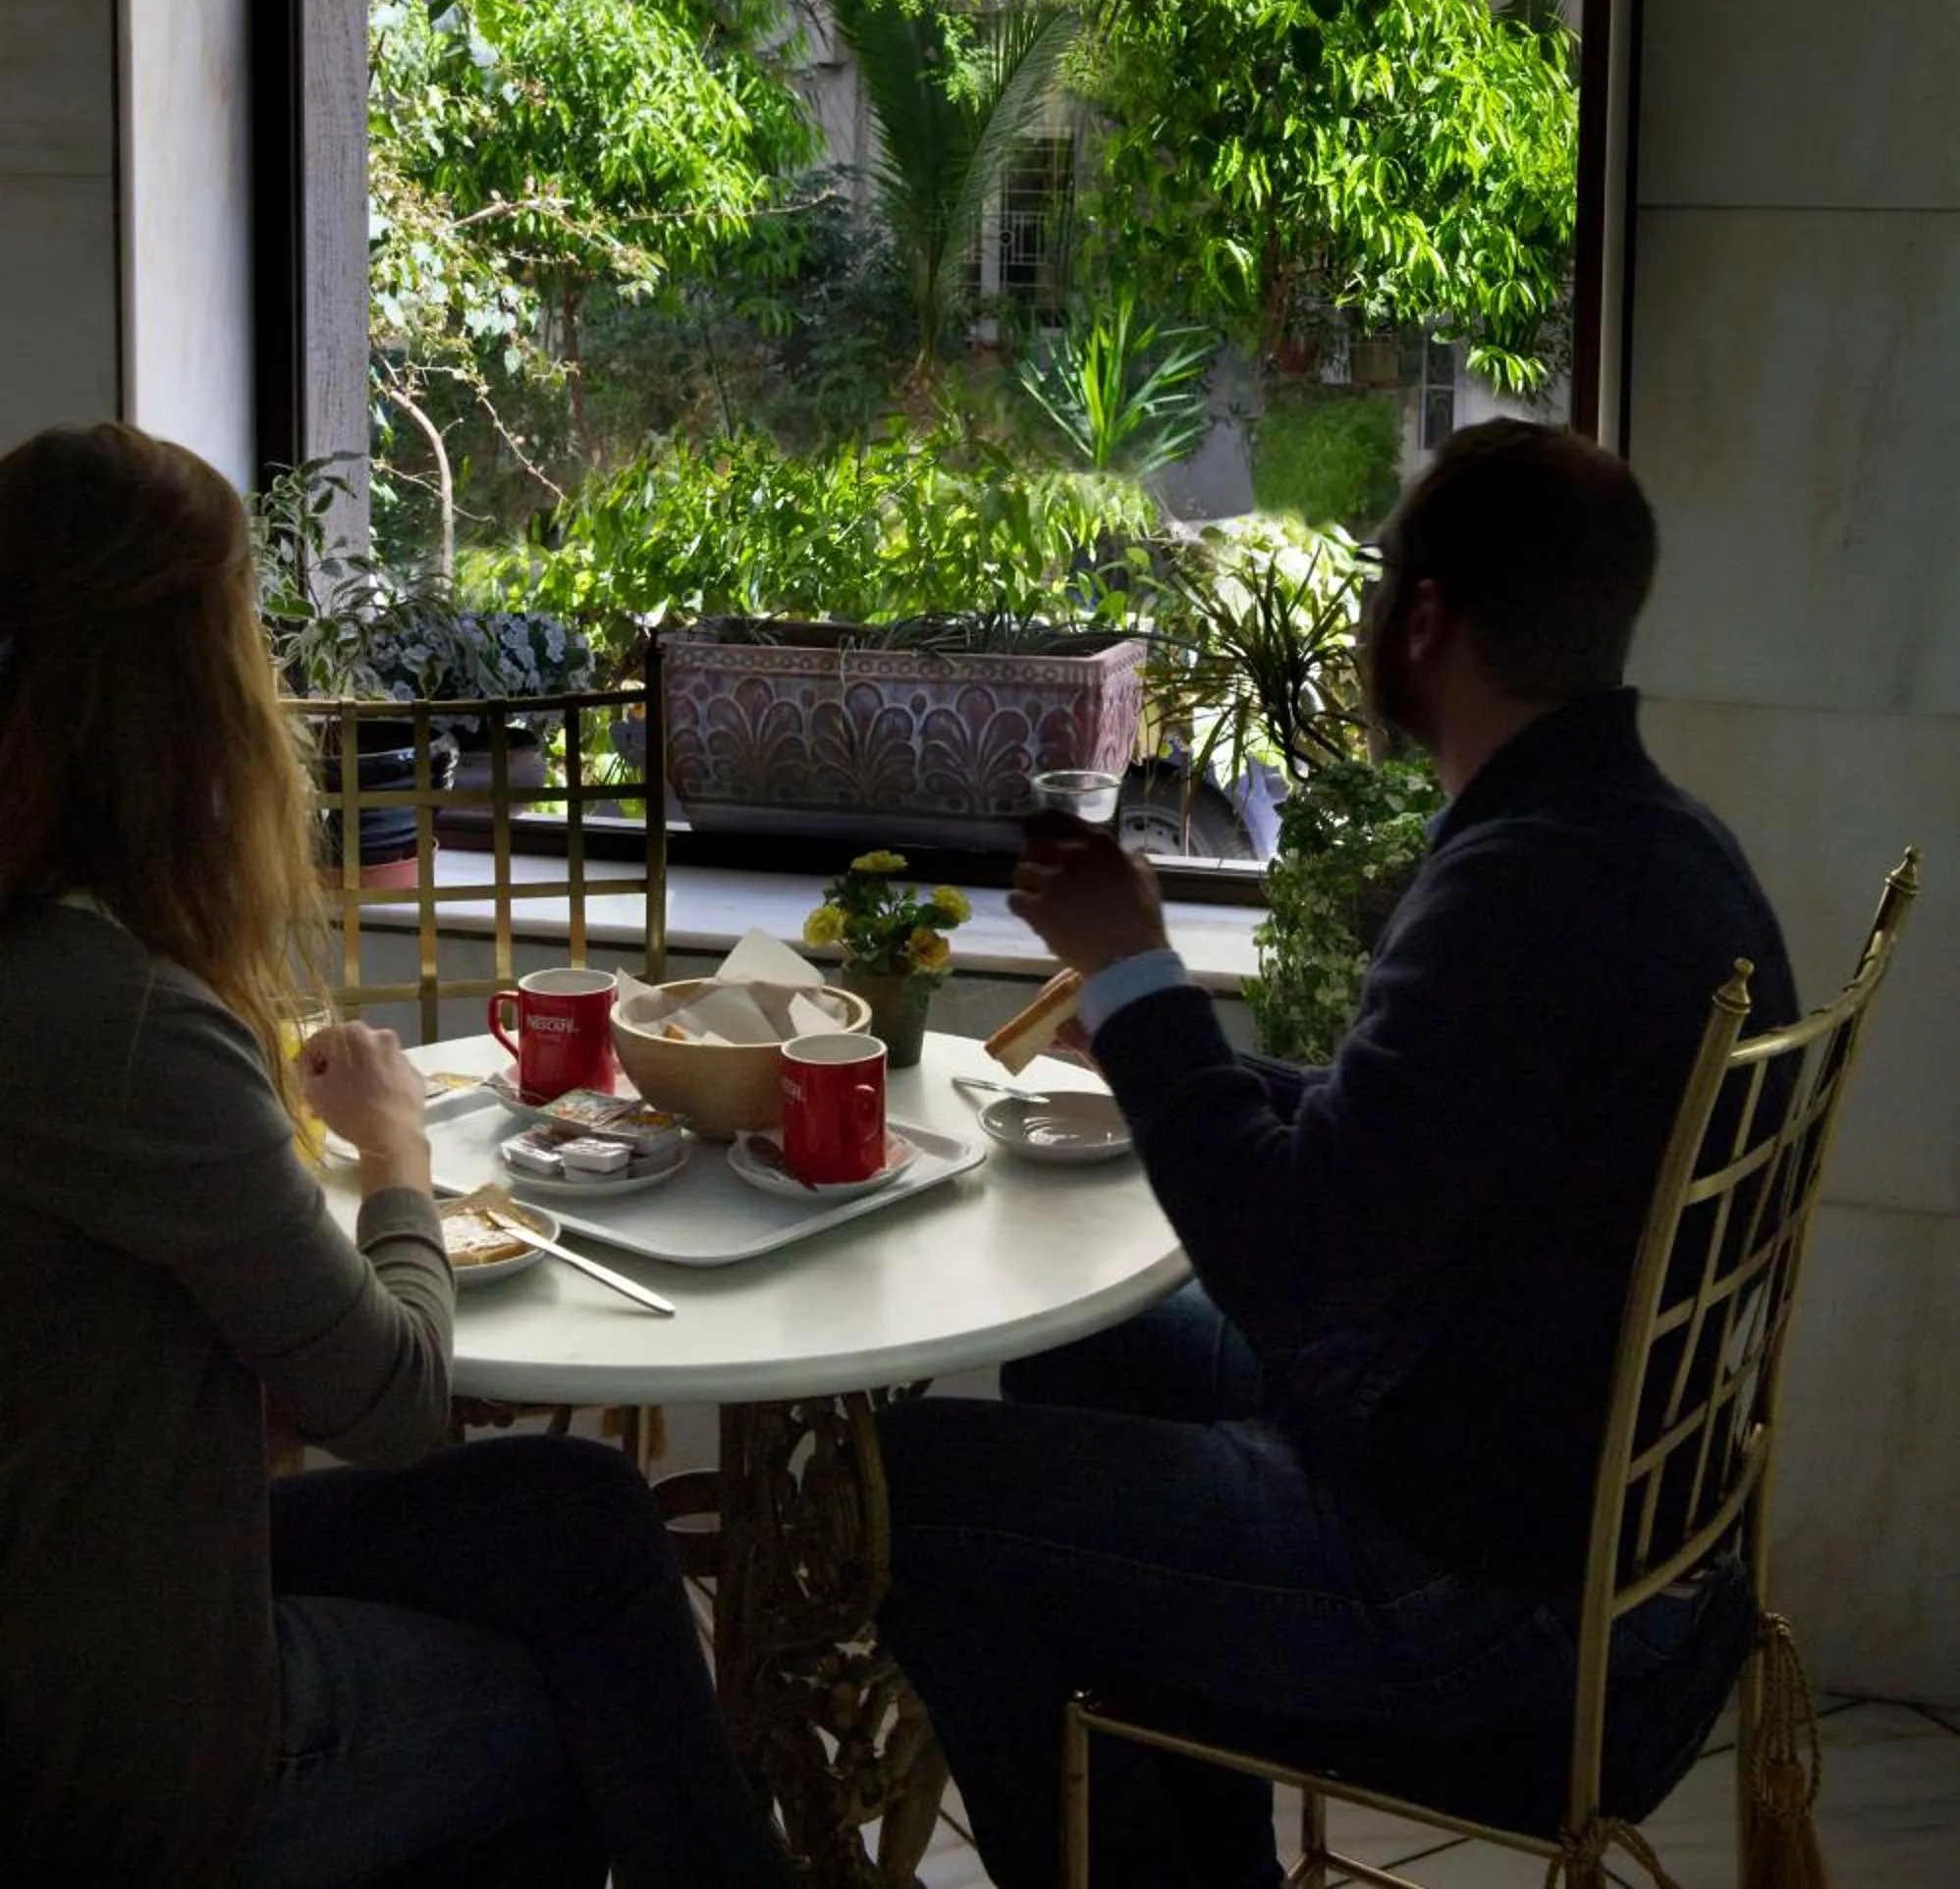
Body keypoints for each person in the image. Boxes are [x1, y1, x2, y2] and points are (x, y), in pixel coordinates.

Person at [878, 420, 1798, 1889]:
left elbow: (1291, 1262)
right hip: (1598, 1523)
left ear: (1423, 619)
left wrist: (1130, 974)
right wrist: (1190, 1058)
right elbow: (1439, 1134)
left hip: (1472, 1585)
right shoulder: (1664, 849)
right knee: (1088, 1349)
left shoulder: (1520, 890)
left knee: (900, 1490)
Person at [0, 421, 793, 1889]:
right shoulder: (115, 1025)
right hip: (114, 1742)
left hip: (88, 1581)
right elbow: (397, 1402)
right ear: (185, 703)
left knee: (579, 1516)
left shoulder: (63, 974)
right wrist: (397, 1153)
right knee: (578, 1694)